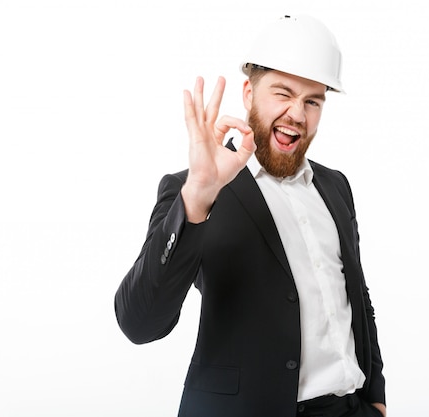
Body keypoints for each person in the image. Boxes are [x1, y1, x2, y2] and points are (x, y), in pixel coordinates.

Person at [114, 14, 386, 417]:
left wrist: (375, 398)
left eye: (313, 100)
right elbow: (139, 323)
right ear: (248, 93)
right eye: (283, 93)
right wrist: (198, 196)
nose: (297, 113)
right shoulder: (194, 190)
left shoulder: (335, 187)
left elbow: (357, 298)